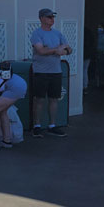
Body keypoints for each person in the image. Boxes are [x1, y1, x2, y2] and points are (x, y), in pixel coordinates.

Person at [30, 8, 72, 138]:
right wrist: (56, 50)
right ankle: (36, 126)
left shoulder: (58, 34)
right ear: (42, 18)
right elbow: (41, 50)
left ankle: (52, 125)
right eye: (49, 17)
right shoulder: (37, 34)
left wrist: (63, 51)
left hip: (56, 71)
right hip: (41, 72)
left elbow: (68, 49)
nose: (52, 19)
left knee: (54, 98)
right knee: (39, 99)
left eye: (53, 17)